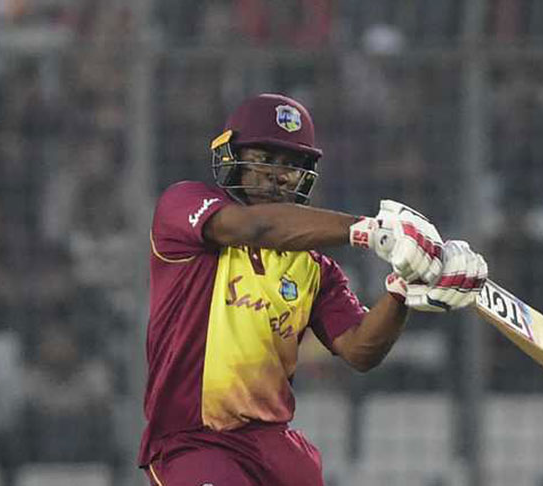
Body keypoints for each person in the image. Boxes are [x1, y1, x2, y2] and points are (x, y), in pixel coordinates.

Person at [138, 93, 487, 486]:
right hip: (194, 442)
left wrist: (404, 288)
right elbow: (257, 227)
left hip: (275, 447)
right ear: (230, 155)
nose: (278, 174)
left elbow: (360, 350)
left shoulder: (316, 269)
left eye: (291, 164)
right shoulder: (184, 205)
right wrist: (370, 230)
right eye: (265, 158)